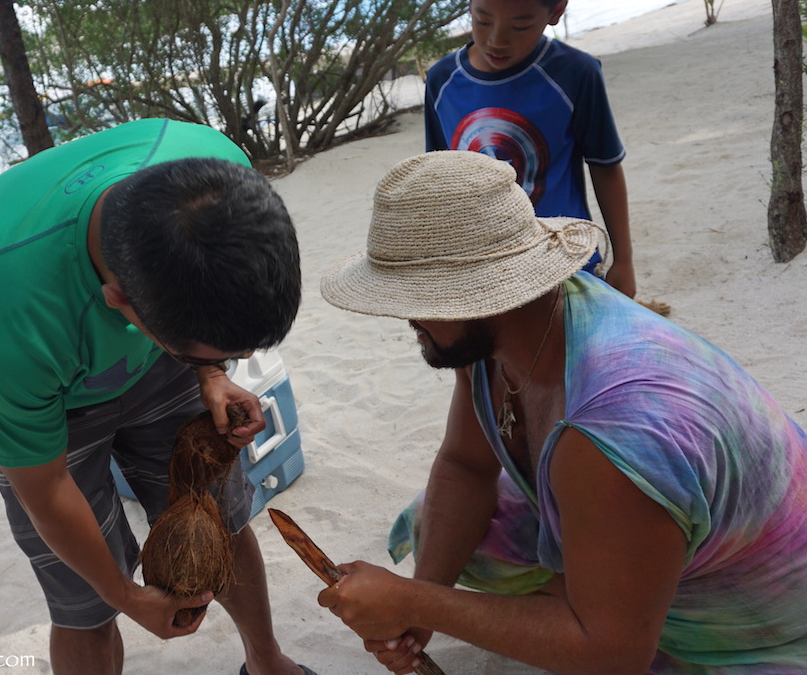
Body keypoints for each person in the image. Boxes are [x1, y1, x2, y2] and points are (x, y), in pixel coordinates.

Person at [317, 150, 807, 674]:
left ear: (476, 296)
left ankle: (606, 606)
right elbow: (465, 465)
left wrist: (414, 603)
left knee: (604, 641)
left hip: (759, 624)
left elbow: (612, 656)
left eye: (417, 297)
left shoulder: (606, 427)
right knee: (437, 523)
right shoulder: (509, 332)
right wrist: (423, 596)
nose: (406, 317)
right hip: (658, 550)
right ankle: (599, 597)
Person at [0, 118, 316, 675]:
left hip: (157, 347)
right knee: (84, 604)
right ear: (119, 305)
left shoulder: (217, 176)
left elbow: (212, 298)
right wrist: (125, 595)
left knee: (217, 523)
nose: (227, 365)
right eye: (208, 356)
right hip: (49, 391)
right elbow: (46, 492)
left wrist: (211, 374)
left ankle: (267, 662)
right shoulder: (3, 320)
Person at [425, 0, 636, 298]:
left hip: (567, 263)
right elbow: (442, 179)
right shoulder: (443, 80)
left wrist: (624, 260)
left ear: (556, 12)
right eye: (483, 20)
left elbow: (604, 166)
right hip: (485, 268)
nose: (497, 39)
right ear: (469, 3)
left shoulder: (576, 72)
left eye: (520, 25)